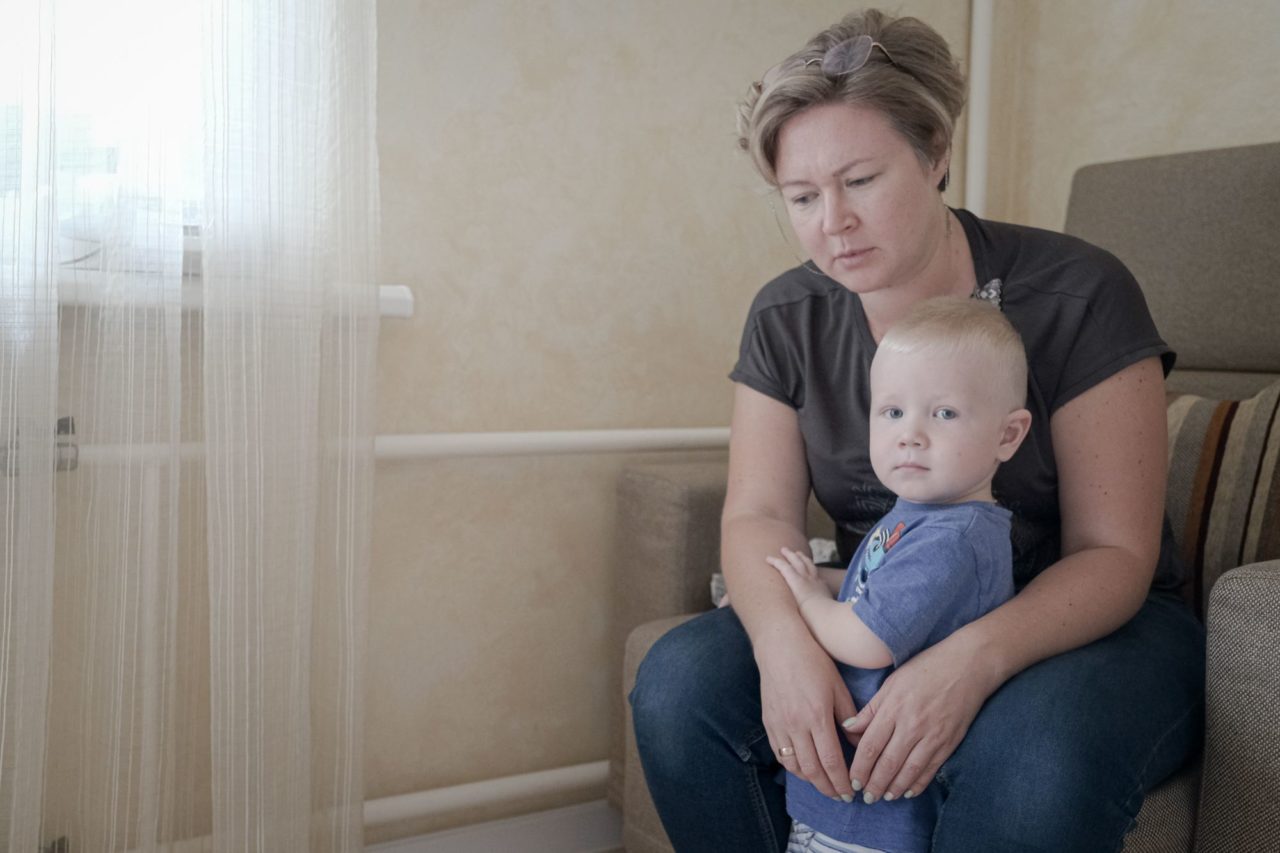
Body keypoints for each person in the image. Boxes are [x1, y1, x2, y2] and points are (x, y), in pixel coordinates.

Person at [629, 8, 1205, 853]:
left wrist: (972, 658)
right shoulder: (786, 316)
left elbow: (1113, 551)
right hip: (889, 600)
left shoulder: (1079, 293)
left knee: (1033, 764)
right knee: (678, 686)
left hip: (1089, 618)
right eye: (801, 197)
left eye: (860, 180)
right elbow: (758, 513)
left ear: (935, 153)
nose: (833, 221)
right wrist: (784, 644)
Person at [767, 297, 1029, 853]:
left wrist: (808, 599)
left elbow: (867, 639)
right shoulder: (923, 514)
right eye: (891, 412)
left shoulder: (952, 538)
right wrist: (821, 579)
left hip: (877, 811)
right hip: (853, 795)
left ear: (1008, 436)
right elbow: (877, 586)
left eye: (944, 414)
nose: (910, 434)